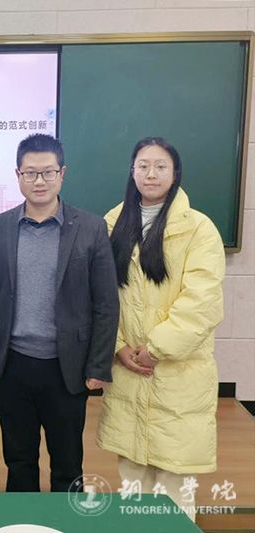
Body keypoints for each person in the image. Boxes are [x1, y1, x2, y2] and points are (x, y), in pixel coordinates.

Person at [0, 133, 119, 493]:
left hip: (66, 366)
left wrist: (99, 365)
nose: (39, 181)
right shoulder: (0, 227)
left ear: (62, 173)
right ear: (18, 175)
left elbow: (106, 303)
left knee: (67, 462)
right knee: (18, 458)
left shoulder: (90, 228)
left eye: (48, 172)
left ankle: (63, 520)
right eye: (30, 173)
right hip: (14, 362)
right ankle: (23, 518)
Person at [97, 137, 225, 522]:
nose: (150, 174)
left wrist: (156, 349)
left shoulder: (198, 229)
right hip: (128, 371)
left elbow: (202, 302)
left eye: (160, 166)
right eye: (143, 166)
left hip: (176, 371)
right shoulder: (111, 224)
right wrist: (118, 346)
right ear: (132, 171)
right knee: (132, 475)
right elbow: (101, 295)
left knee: (173, 477)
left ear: (175, 173)